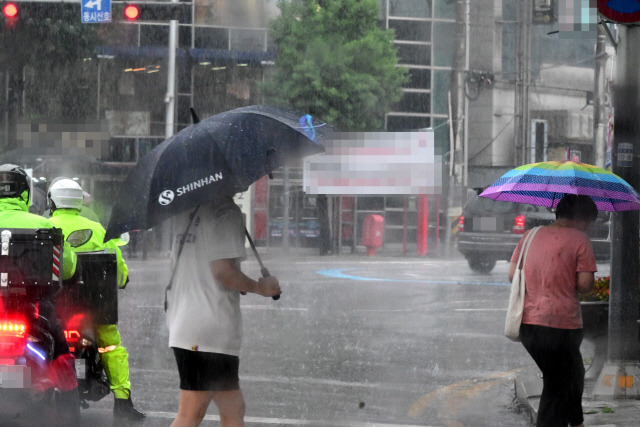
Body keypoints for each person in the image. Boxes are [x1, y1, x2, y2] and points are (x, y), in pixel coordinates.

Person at [166, 197, 281, 427]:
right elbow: (222, 270)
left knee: (233, 410)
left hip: (187, 322)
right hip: (209, 329)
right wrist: (260, 287)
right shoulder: (225, 212)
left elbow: (200, 268)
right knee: (191, 414)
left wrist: (240, 283)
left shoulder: (189, 210)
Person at [46, 177, 145, 421]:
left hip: (56, 308)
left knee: (43, 342)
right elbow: (118, 268)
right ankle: (123, 401)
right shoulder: (98, 228)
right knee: (111, 345)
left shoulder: (44, 226)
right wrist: (122, 280)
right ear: (79, 201)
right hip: (94, 305)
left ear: (52, 201)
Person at [509, 194, 598, 427]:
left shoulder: (530, 236)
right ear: (580, 217)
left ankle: (576, 422)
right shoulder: (580, 240)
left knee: (570, 376)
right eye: (588, 221)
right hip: (562, 327)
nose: (587, 226)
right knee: (559, 384)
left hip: (529, 326)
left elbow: (512, 275)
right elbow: (585, 285)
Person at [0, 164, 80, 418]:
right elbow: (68, 268)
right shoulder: (44, 225)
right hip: (31, 308)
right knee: (62, 350)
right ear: (25, 194)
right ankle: (70, 413)